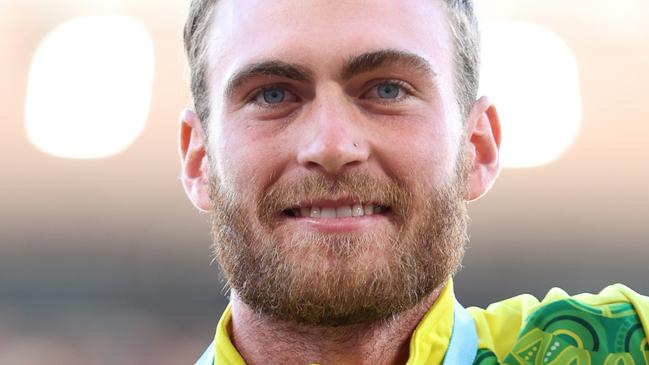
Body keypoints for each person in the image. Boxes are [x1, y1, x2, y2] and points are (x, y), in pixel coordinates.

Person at [178, 0, 649, 364]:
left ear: (476, 147)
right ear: (199, 159)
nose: (332, 146)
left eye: (387, 90)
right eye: (273, 94)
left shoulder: (621, 346)